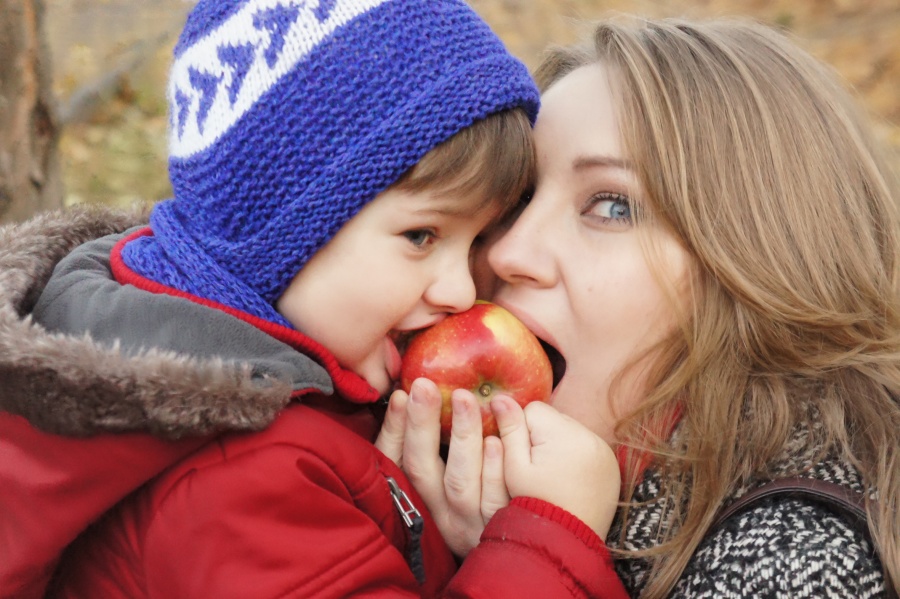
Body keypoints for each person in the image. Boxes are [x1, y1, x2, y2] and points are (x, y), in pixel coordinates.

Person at [0, 0, 630, 597]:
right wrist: (548, 537)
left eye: (475, 241)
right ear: (278, 234)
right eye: (421, 236)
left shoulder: (306, 393)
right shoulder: (240, 480)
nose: (462, 289)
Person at [378, 15, 900, 598]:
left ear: (760, 264)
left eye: (612, 206)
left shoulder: (789, 564)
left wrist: (529, 555)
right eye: (517, 197)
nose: (506, 250)